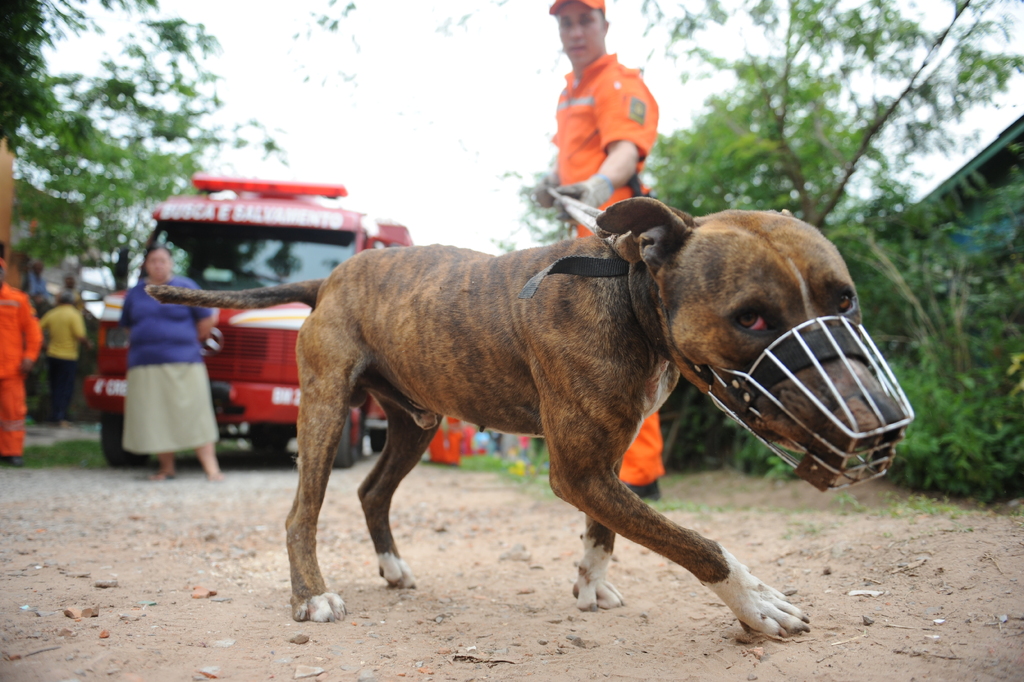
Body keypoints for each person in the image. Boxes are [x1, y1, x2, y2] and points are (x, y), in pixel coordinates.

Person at [532, 0, 665, 500]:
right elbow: (569, 156)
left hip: (620, 237)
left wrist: (596, 185)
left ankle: (640, 477)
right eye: (566, 22)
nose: (575, 31)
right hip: (585, 235)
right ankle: (602, 471)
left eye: (585, 20)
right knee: (591, 355)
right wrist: (551, 181)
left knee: (629, 353)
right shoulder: (571, 91)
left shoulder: (618, 83)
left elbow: (625, 150)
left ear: (604, 24)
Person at [120, 245, 223, 481]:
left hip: (185, 361)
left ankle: (212, 469)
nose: (158, 265)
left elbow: (208, 318)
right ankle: (166, 468)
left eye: (162, 260)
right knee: (157, 416)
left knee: (196, 413)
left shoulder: (185, 287)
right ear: (146, 265)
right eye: (153, 260)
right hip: (145, 363)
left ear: (170, 263)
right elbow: (128, 326)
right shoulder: (135, 293)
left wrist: (183, 341)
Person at [0, 256, 43, 467]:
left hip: (12, 368)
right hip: (10, 366)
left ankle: (12, 452)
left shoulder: (18, 299)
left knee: (13, 413)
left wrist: (29, 357)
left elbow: (34, 332)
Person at [39, 290, 92, 426]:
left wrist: (44, 345)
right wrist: (88, 344)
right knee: (65, 388)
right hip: (68, 357)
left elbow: (37, 329)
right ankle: (60, 416)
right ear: (72, 301)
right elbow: (80, 335)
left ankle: (54, 415)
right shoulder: (74, 315)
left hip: (52, 355)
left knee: (54, 386)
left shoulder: (52, 313)